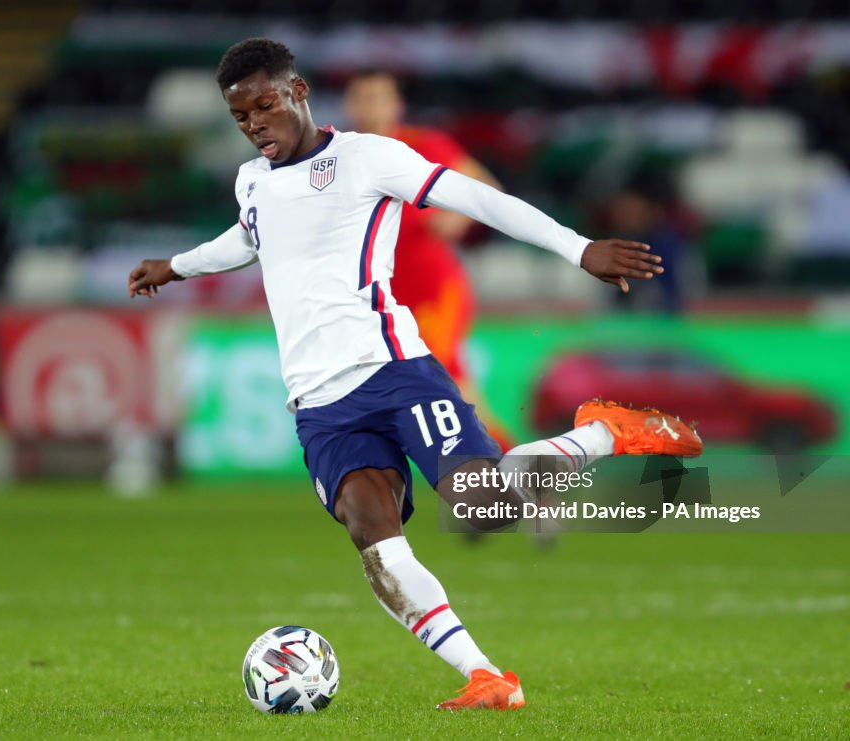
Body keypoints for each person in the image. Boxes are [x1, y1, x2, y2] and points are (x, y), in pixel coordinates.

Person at [128, 38, 702, 711]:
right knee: (372, 536)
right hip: (318, 404)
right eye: (241, 118)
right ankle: (486, 674)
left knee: (483, 509)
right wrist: (179, 264)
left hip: (393, 369)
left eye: (265, 106)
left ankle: (606, 432)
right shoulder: (251, 178)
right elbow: (251, 235)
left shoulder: (368, 158)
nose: (256, 125)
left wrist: (580, 249)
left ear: (299, 92)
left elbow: (481, 200)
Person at [343, 70, 514, 450]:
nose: (369, 108)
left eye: (377, 98)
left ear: (396, 105)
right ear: (348, 105)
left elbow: (488, 190)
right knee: (439, 390)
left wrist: (457, 216)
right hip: (380, 294)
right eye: (361, 99)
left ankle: (519, 477)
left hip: (431, 287)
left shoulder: (424, 145)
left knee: (444, 381)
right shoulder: (339, 154)